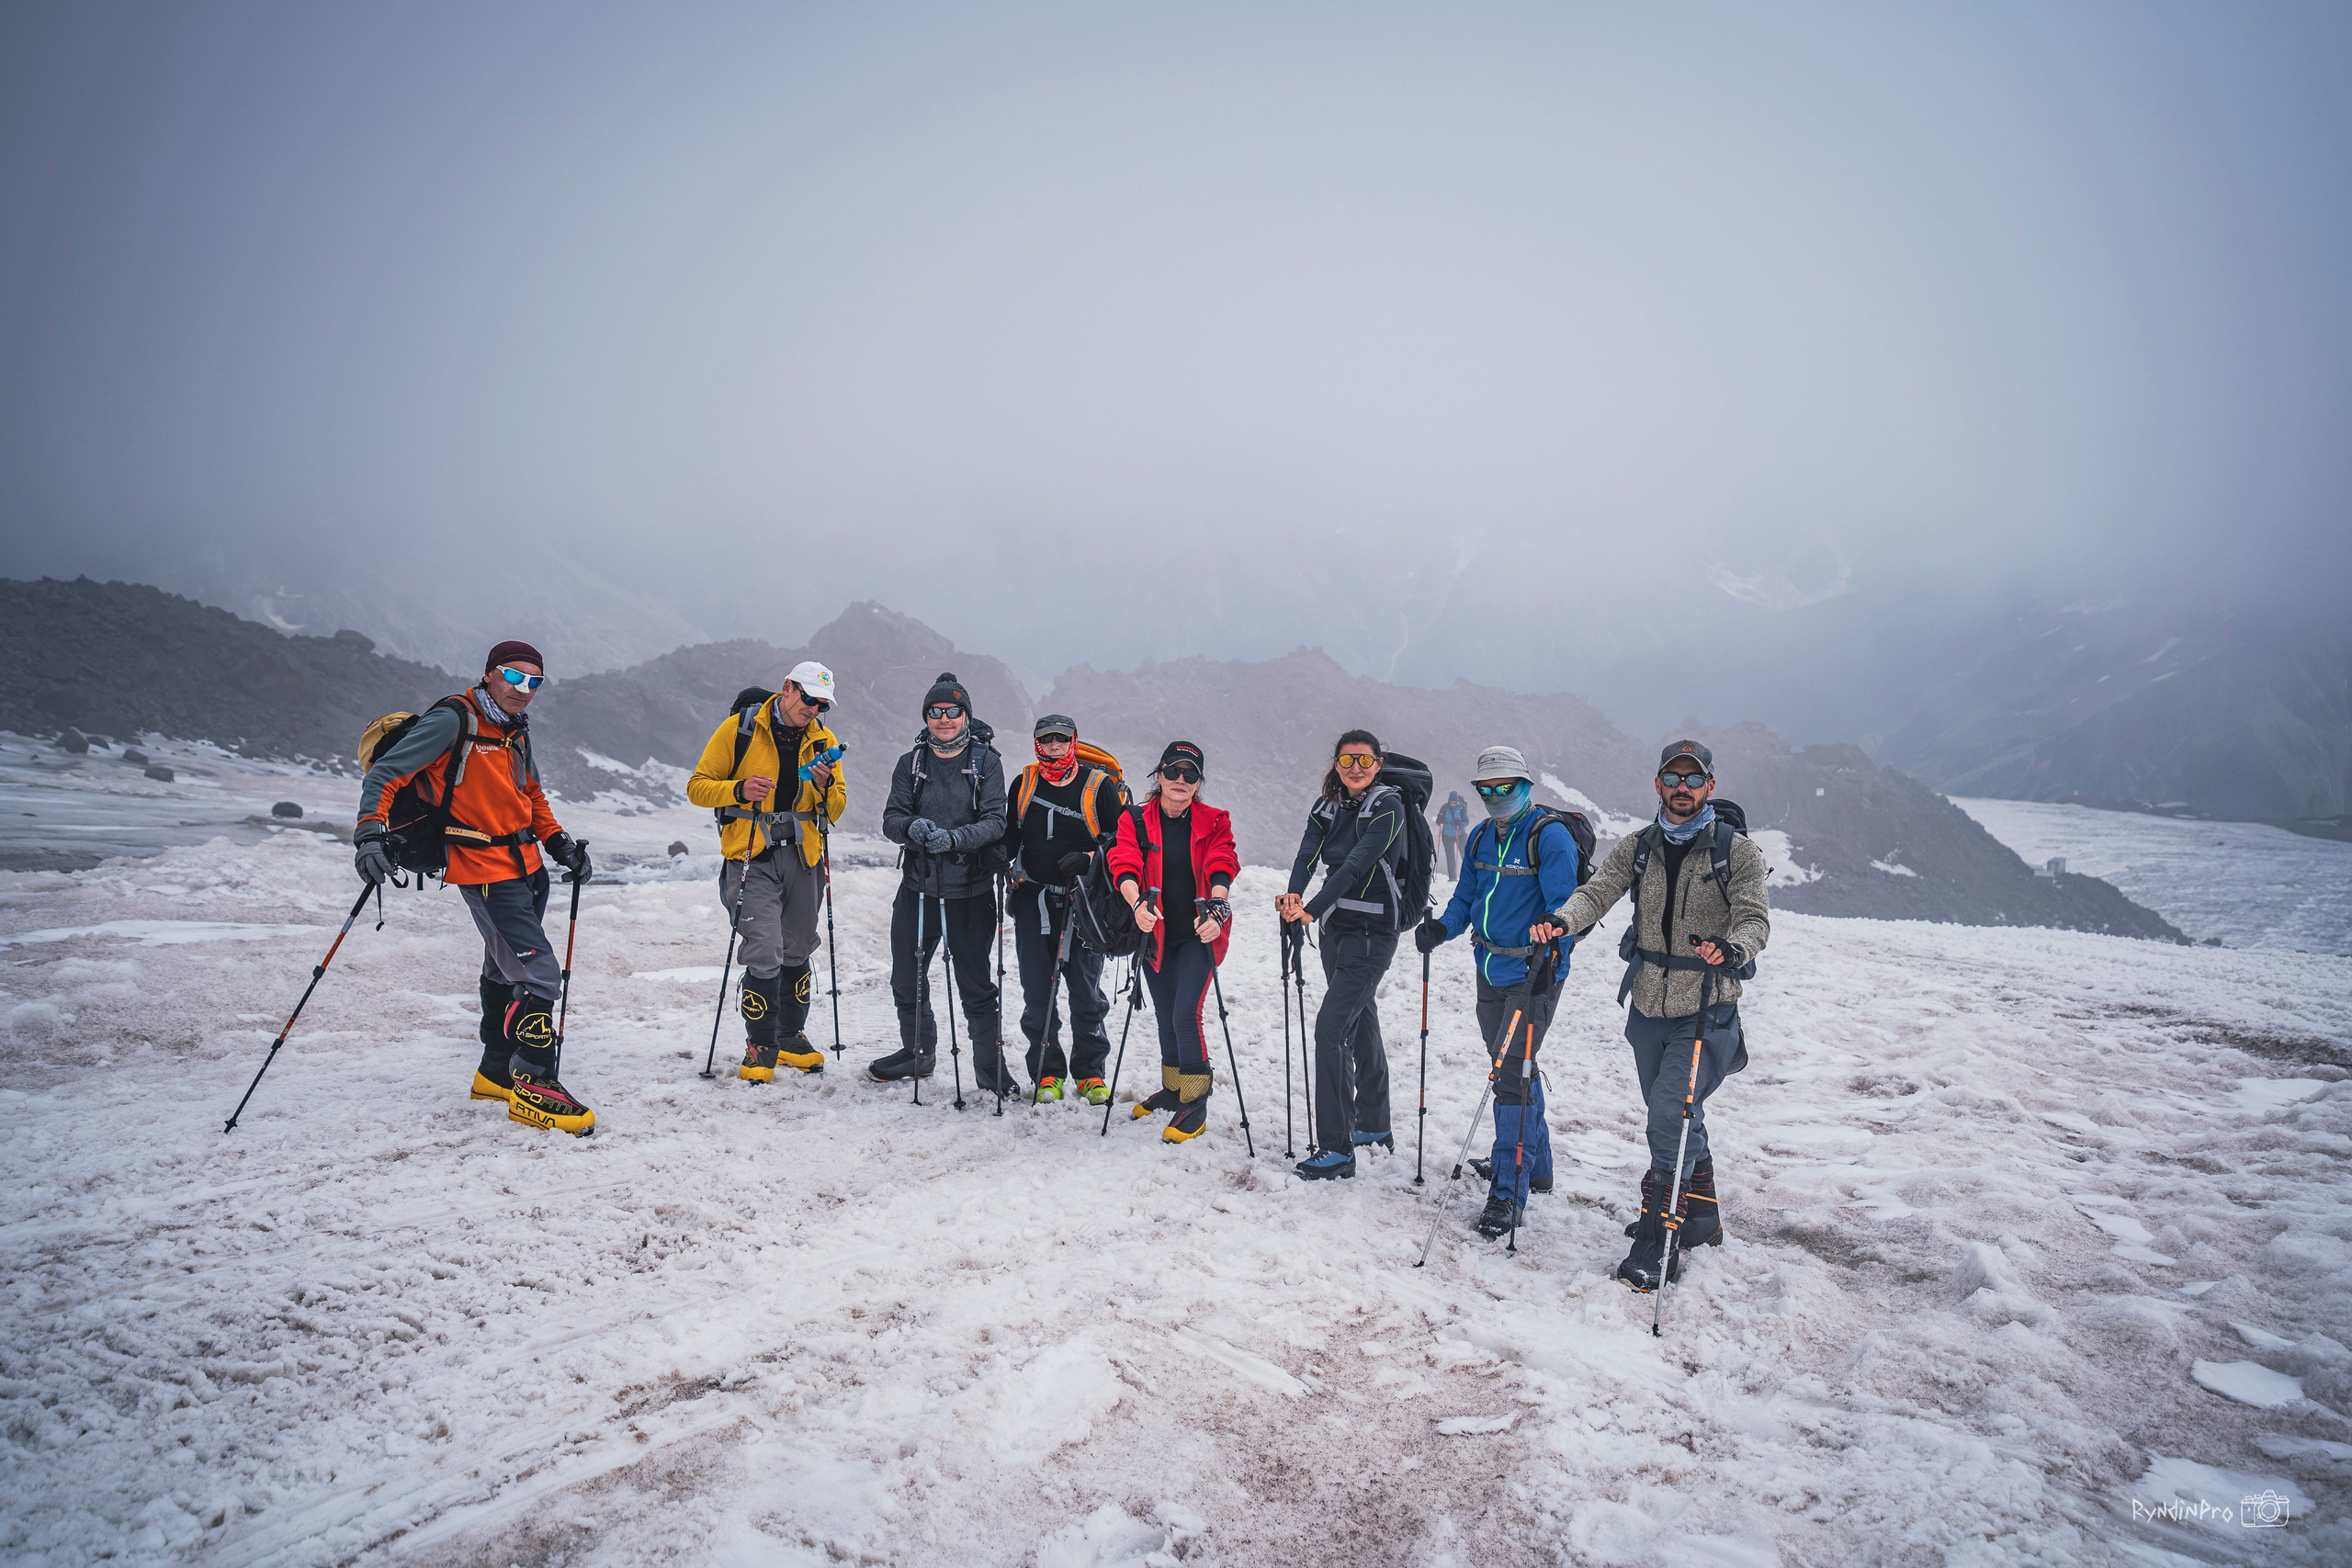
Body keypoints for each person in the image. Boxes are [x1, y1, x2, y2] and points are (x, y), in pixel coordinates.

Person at [1532, 739, 1770, 1292]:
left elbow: (1755, 919)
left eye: (1693, 779)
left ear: (1709, 787)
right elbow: (1597, 893)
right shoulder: (1639, 847)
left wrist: (1731, 948)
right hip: (1647, 1004)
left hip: (1707, 1004)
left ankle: (1660, 1236)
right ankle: (1703, 1214)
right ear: (1659, 784)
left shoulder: (1736, 851)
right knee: (1679, 1112)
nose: (1682, 788)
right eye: (1673, 777)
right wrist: (1562, 921)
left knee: (1669, 1111)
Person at [355, 638, 596, 1136]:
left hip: (527, 864)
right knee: (539, 974)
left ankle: (494, 1072)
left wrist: (558, 843)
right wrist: (369, 831)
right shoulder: (454, 720)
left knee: (503, 964)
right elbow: (387, 773)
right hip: (484, 868)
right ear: (489, 674)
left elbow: (529, 793)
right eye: (513, 676)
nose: (523, 689)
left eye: (534, 682)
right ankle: (534, 1084)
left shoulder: (515, 730)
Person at [1415, 746, 1580, 1236]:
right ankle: (1539, 1165)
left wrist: (1555, 960)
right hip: (1489, 967)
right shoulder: (1483, 835)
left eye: (1504, 787)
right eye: (1486, 789)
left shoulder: (1549, 839)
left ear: (1526, 785)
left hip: (1534, 975)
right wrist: (1443, 929)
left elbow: (1565, 909)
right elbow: (1466, 897)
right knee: (1512, 1067)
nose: (1494, 796)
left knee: (1510, 1076)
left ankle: (1508, 1194)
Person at [685, 661, 845, 1082]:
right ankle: (761, 1045)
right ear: (787, 688)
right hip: (750, 856)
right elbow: (698, 786)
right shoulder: (739, 730)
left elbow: (838, 807)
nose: (813, 709)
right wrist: (737, 790)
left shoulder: (822, 740)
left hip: (803, 857)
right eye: (808, 698)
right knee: (765, 945)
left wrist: (827, 786)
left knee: (797, 945)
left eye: (822, 704)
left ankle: (790, 1036)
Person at [1277, 729, 1408, 1180]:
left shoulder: (1389, 807)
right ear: (1335, 763)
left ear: (1379, 763)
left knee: (1331, 1030)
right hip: (1339, 932)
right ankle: (1373, 1125)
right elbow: (1307, 856)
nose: (1356, 768)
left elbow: (1356, 865)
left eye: (1365, 760)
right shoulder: (1326, 807)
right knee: (1360, 1016)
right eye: (1347, 759)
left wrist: (1310, 909)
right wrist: (1292, 896)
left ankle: (1337, 1148)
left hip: (1373, 933)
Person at [873, 673, 1010, 1090]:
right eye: (936, 712)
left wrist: (955, 838)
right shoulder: (911, 764)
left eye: (953, 711)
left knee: (975, 984)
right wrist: (913, 828)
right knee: (906, 977)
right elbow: (891, 820)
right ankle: (919, 1055)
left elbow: (996, 821)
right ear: (927, 717)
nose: (944, 718)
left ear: (966, 715)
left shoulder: (986, 762)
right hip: (918, 888)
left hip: (971, 891)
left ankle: (990, 1072)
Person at [1109, 742, 1239, 1143]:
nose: (1181, 780)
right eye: (1173, 772)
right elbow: (1124, 861)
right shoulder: (1135, 818)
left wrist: (1218, 907)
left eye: (1190, 774)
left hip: (1200, 934)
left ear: (1199, 782)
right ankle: (1173, 1090)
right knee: (1166, 1016)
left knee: (1185, 1016)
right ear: (1159, 775)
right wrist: (1136, 905)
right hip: (1156, 933)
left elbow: (1223, 861)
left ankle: (1195, 1103)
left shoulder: (1215, 820)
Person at [1003, 714, 1127, 1104]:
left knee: (1085, 992)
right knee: (1037, 992)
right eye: (1046, 739)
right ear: (1036, 742)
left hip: (1086, 904)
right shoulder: (1023, 784)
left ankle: (1090, 1074)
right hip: (1033, 900)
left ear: (1074, 741)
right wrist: (993, 854)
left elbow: (1121, 839)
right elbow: (1012, 835)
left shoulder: (1099, 785)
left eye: (1062, 738)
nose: (1054, 746)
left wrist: (1090, 857)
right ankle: (1046, 1074)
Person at [1437, 790, 1470, 880]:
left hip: (1460, 834)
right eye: (1451, 802)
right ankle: (1452, 876)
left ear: (1457, 801)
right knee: (1450, 855)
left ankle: (1468, 875)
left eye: (1454, 802)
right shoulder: (1444, 807)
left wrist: (1460, 824)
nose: (1452, 804)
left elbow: (1467, 821)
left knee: (1464, 854)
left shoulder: (1461, 807)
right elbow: (1439, 818)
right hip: (1446, 834)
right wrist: (1439, 820)